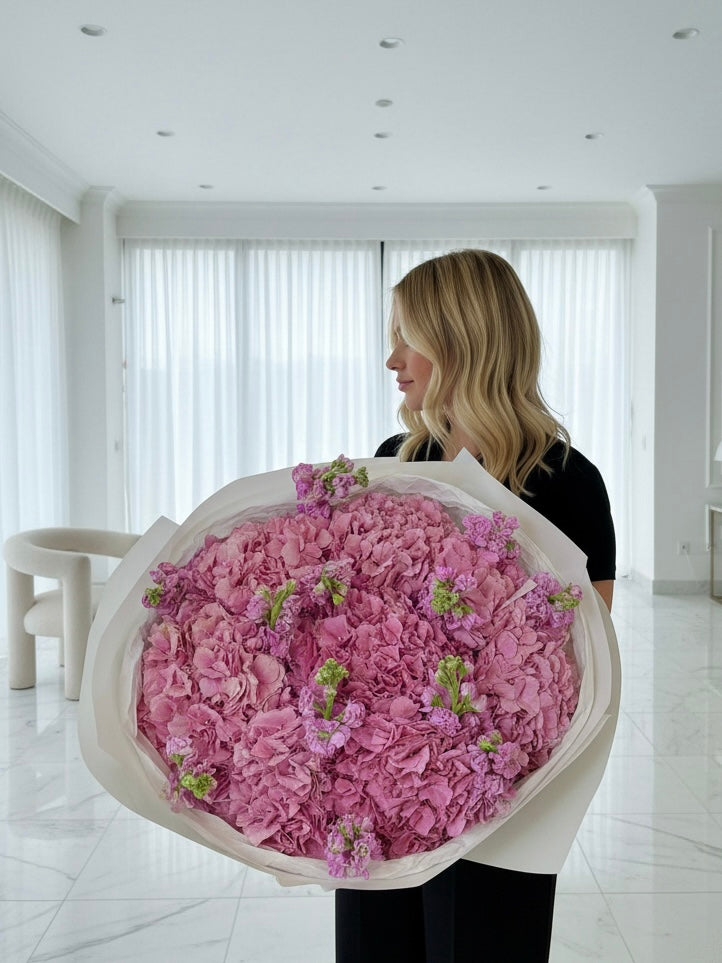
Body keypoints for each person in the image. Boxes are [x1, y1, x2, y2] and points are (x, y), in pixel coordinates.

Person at [335, 249, 616, 963]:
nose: (392, 357)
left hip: (506, 802)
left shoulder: (568, 484)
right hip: (382, 793)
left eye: (408, 334)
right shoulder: (395, 459)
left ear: (464, 338)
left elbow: (582, 672)